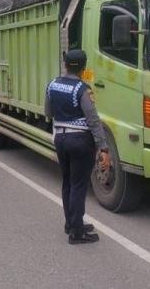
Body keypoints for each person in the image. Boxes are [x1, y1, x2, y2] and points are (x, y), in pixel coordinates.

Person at [44, 49, 110, 244]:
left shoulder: (52, 85)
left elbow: (47, 112)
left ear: (65, 64)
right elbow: (93, 120)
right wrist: (103, 148)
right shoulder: (83, 89)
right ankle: (77, 232)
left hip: (61, 140)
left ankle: (70, 223)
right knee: (79, 185)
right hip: (80, 142)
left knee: (67, 182)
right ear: (83, 67)